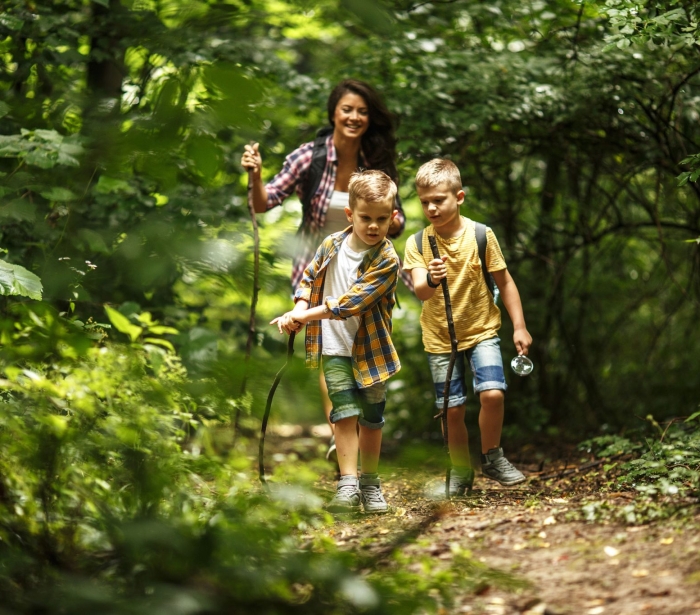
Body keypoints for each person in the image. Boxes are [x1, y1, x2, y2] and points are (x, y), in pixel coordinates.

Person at [241, 79, 406, 460]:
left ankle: (357, 427)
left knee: (363, 340)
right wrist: (255, 175)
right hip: (318, 266)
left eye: (363, 111)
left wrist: (382, 221)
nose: (355, 117)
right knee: (329, 346)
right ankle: (340, 429)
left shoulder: (376, 159)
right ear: (334, 111)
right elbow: (264, 203)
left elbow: (395, 220)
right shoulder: (308, 158)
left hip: (366, 267)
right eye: (347, 109)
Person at [270, 170, 401, 513]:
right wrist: (298, 307)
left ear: (393, 217)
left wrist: (303, 316)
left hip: (371, 352)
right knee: (343, 415)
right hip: (333, 349)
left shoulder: (387, 259)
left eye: (382, 219)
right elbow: (309, 278)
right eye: (365, 218)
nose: (374, 226)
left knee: (371, 419)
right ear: (350, 215)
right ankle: (348, 484)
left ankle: (370, 483)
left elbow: (350, 303)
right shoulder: (331, 244)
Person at [403, 159, 532, 495]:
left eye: (439, 200)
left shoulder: (480, 235)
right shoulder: (418, 243)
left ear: (458, 197)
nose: (431, 207)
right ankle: (460, 470)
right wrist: (431, 277)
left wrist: (519, 326)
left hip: (482, 329)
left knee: (492, 393)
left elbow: (504, 283)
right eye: (424, 202)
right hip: (439, 336)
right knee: (451, 409)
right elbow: (420, 290)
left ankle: (492, 456)